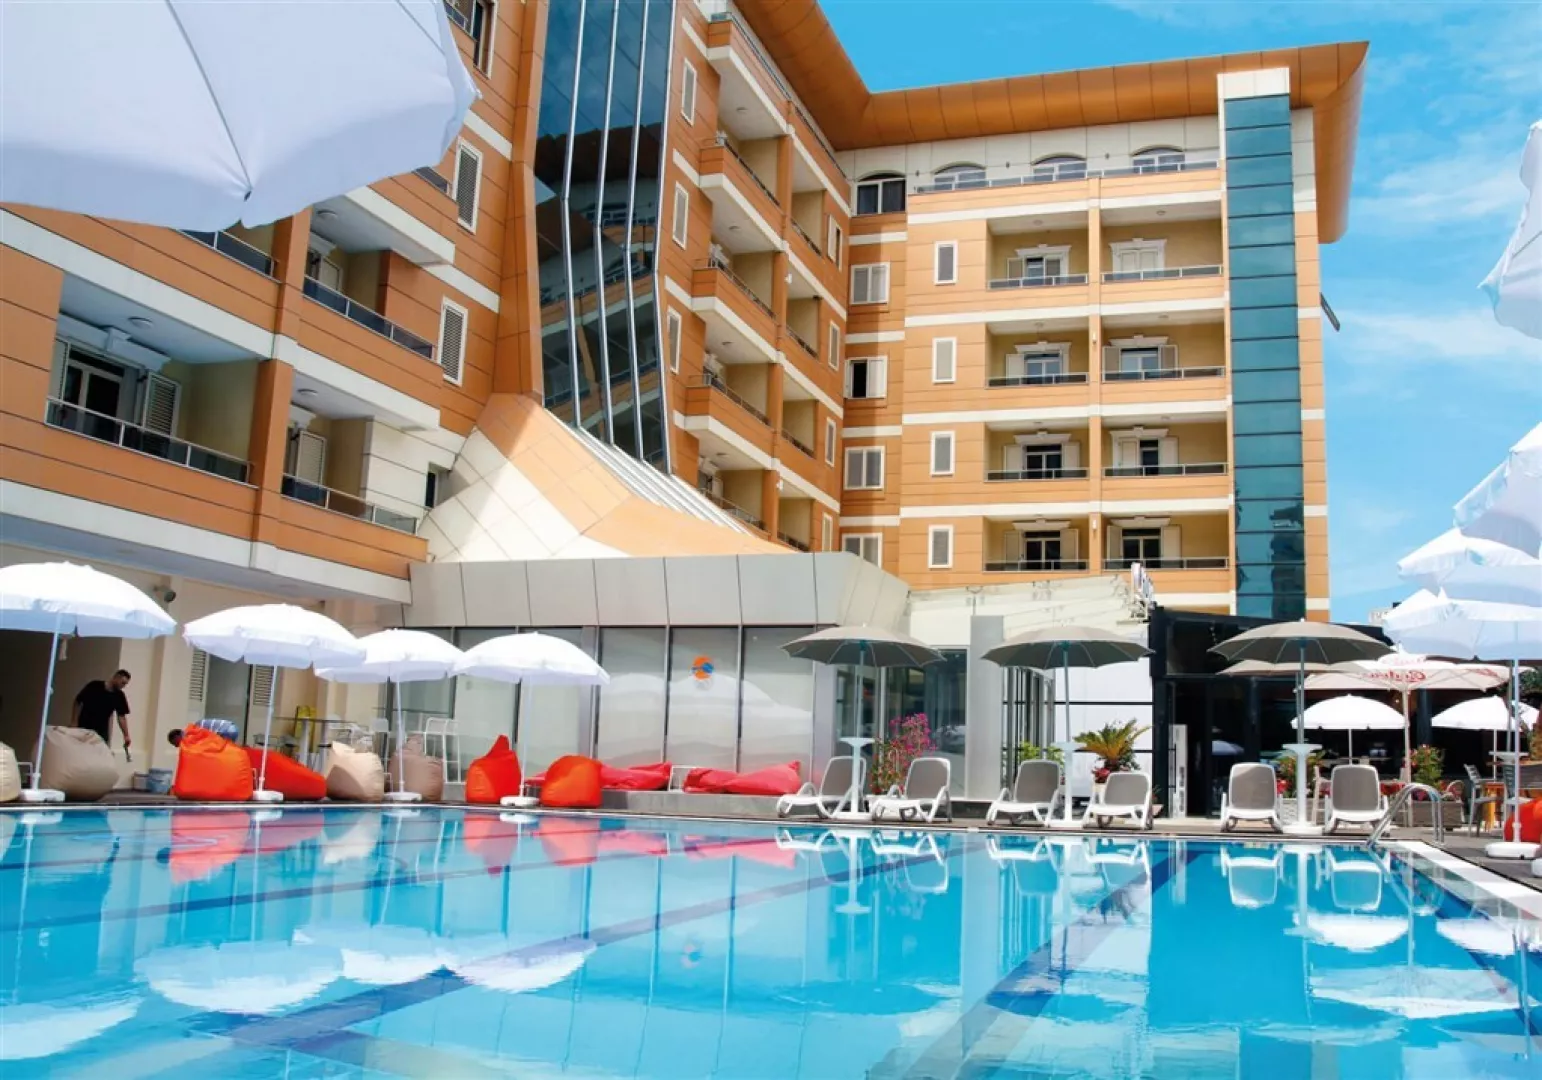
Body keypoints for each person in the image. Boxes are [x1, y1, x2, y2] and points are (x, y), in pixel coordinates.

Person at [73, 669, 132, 753]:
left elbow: (121, 717)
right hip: (84, 726)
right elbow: (78, 702)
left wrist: (126, 735)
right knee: (81, 752)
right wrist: (74, 722)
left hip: (101, 731)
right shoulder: (94, 686)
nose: (123, 686)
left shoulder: (119, 696)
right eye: (123, 683)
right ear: (116, 677)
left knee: (99, 753)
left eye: (125, 684)